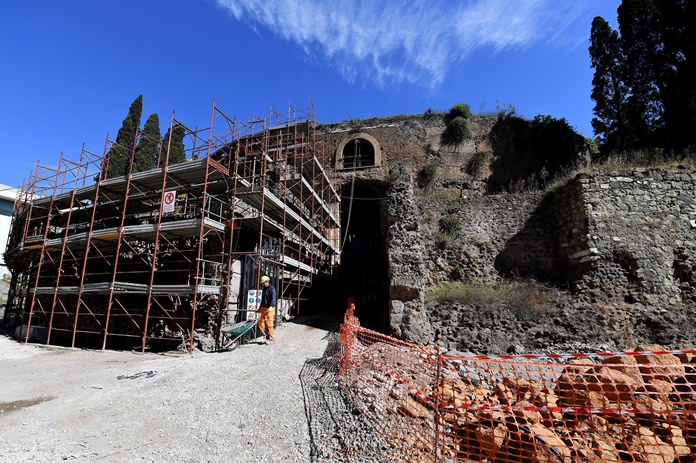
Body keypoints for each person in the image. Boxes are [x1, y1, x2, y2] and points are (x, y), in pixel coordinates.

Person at [257, 275, 277, 343]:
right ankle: (265, 336)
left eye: (263, 283)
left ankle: (272, 338)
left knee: (269, 323)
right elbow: (263, 299)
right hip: (263, 307)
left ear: (267, 281)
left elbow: (273, 298)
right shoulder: (264, 289)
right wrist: (259, 308)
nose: (262, 284)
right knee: (260, 321)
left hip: (269, 308)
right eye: (262, 283)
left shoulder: (272, 289)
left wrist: (272, 305)